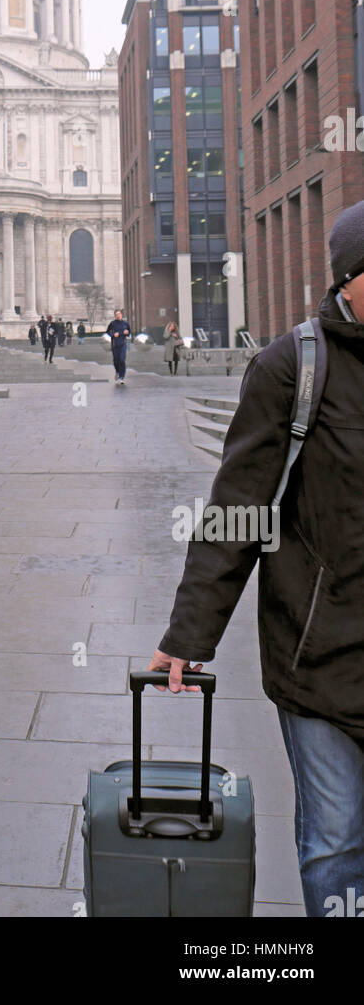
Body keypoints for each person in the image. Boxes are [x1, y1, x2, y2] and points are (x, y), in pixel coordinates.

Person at [149, 199, 364, 917]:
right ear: (351, 277)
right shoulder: (292, 368)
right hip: (321, 653)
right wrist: (190, 635)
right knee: (336, 842)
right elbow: (239, 508)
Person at [106, 309, 131, 384]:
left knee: (122, 360)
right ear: (115, 316)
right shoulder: (112, 324)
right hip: (115, 345)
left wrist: (127, 332)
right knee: (116, 361)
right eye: (116, 314)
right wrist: (113, 335)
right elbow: (107, 332)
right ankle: (117, 371)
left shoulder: (125, 323)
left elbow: (129, 332)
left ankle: (122, 377)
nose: (118, 315)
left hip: (123, 344)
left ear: (121, 315)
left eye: (119, 314)